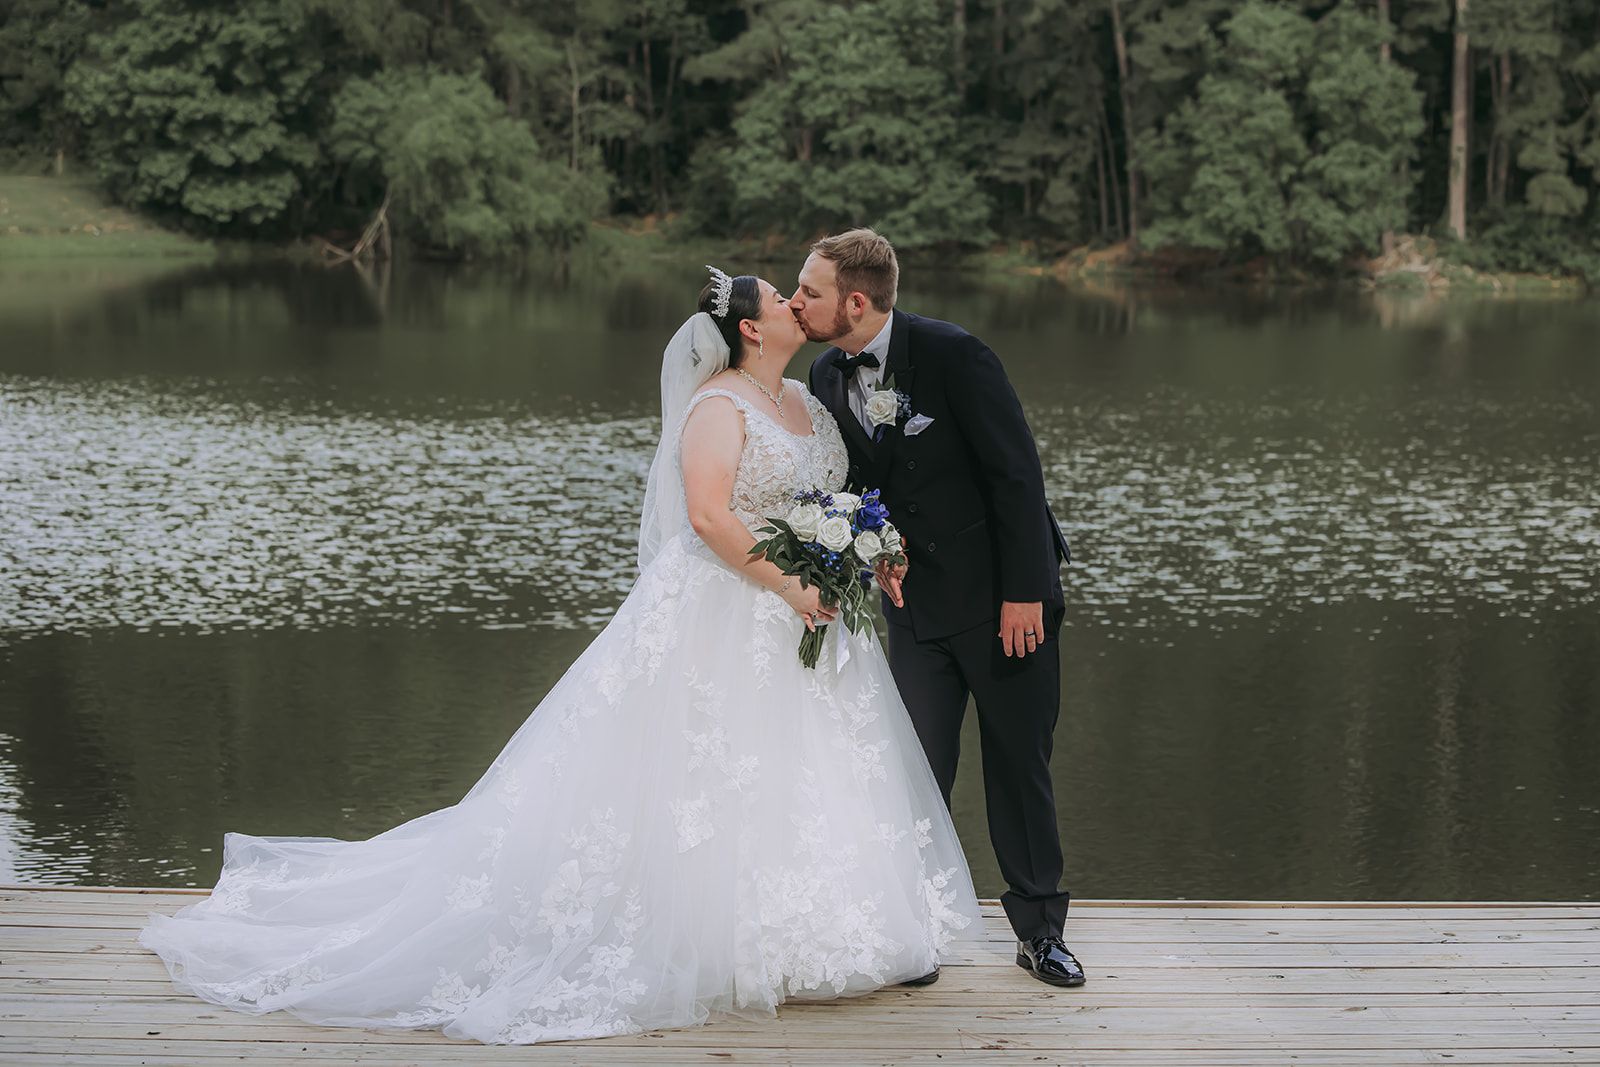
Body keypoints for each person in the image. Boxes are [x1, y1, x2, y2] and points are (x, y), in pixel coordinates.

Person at [137, 266, 980, 1045]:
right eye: (783, 300)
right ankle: (712, 936)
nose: (799, 305)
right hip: (731, 606)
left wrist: (864, 546)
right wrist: (788, 583)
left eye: (803, 296)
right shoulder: (718, 406)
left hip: (811, 615)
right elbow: (708, 516)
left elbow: (828, 498)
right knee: (707, 771)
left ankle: (820, 930)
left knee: (806, 769)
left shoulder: (805, 399)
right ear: (752, 329)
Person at [798, 229, 1084, 987]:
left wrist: (1024, 592)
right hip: (914, 608)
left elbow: (1018, 476)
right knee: (913, 768)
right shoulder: (825, 371)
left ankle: (1041, 931)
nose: (797, 303)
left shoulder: (956, 354)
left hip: (1002, 603)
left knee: (1017, 763)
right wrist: (875, 552)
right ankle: (912, 933)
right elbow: (861, 484)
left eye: (810, 292)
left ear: (855, 302)